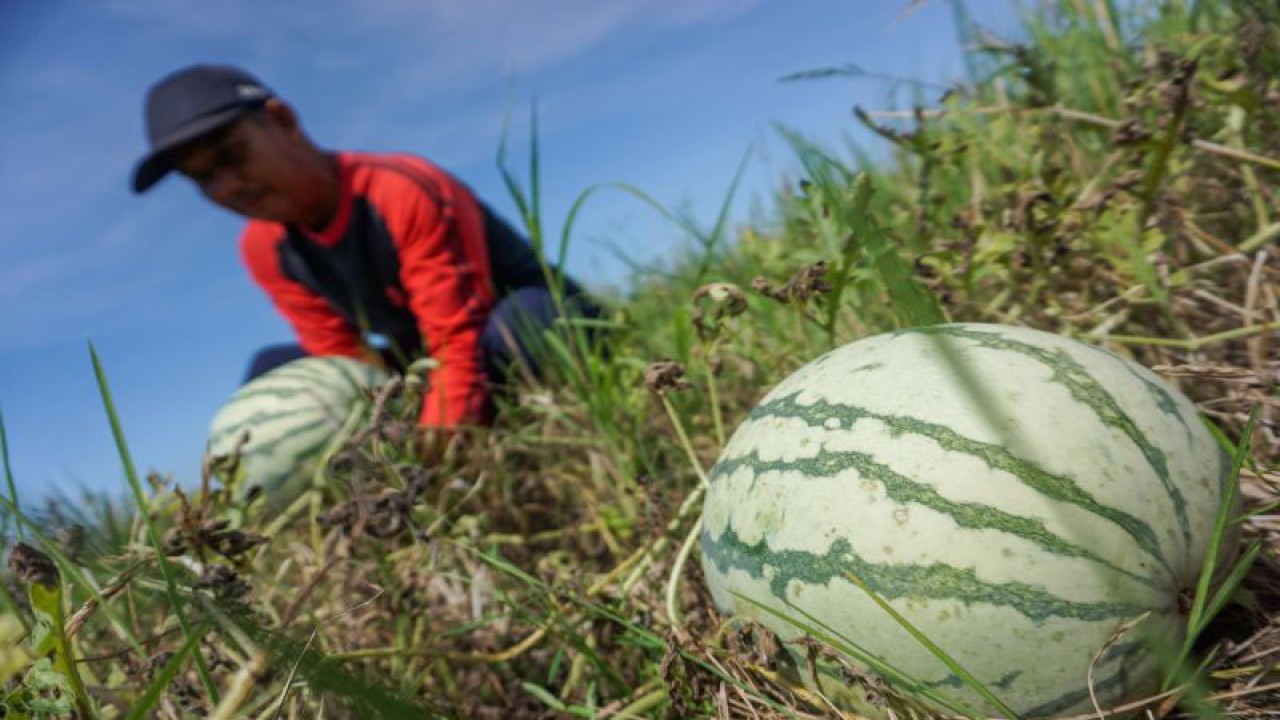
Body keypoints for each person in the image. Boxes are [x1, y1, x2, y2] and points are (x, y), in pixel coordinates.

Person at [132, 63, 596, 432]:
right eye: (203, 180)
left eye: (233, 156)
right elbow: (341, 359)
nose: (229, 186)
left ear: (282, 120)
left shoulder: (399, 190)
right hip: (423, 354)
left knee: (521, 326)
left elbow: (459, 334)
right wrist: (376, 439)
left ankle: (523, 421)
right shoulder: (262, 248)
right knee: (274, 370)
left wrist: (434, 454)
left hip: (522, 321)